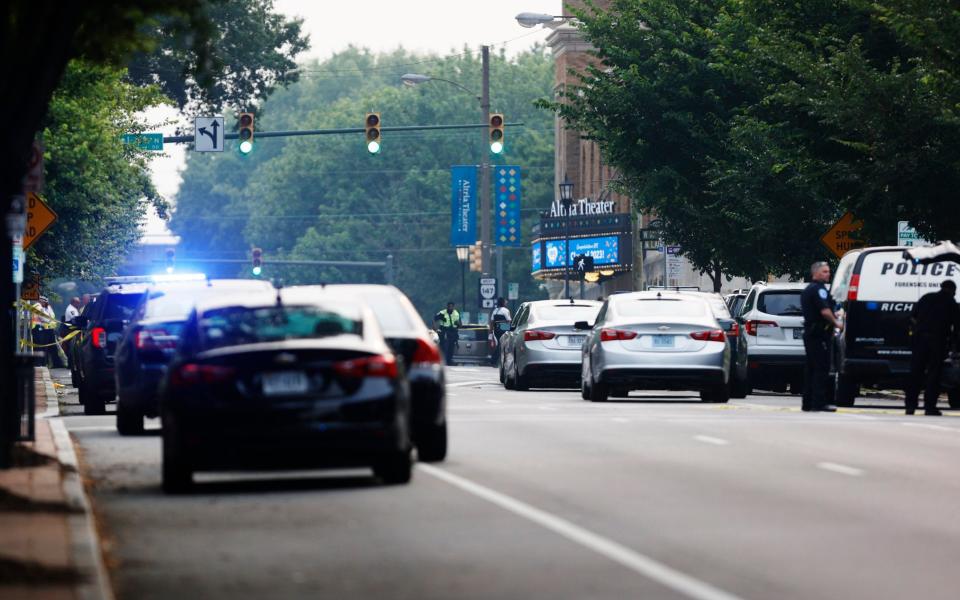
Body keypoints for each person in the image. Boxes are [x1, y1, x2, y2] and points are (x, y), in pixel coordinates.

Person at [905, 280, 960, 416]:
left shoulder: (926, 297)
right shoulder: (950, 302)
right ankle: (929, 407)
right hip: (938, 341)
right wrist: (954, 345)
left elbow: (911, 317)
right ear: (953, 290)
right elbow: (957, 327)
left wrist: (917, 330)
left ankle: (910, 406)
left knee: (915, 373)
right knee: (933, 375)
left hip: (920, 341)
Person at [801, 261, 841, 412]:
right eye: (824, 271)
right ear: (816, 273)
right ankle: (818, 402)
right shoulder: (819, 289)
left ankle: (808, 403)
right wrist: (837, 323)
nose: (828, 274)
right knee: (821, 368)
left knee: (811, 368)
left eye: (828, 271)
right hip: (819, 334)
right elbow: (824, 312)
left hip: (811, 333)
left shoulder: (809, 289)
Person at [31, 295, 60, 368]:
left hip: (38, 329)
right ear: (41, 301)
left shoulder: (37, 306)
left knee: (40, 347)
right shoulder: (38, 307)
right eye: (45, 302)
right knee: (40, 347)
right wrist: (49, 319)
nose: (46, 304)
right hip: (38, 329)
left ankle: (40, 363)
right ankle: (39, 363)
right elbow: (45, 319)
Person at [433, 302, 461, 366]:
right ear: (447, 307)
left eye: (451, 307)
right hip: (444, 331)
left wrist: (458, 324)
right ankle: (443, 361)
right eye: (449, 306)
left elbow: (460, 324)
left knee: (451, 347)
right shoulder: (442, 313)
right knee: (445, 347)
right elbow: (435, 318)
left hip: (453, 332)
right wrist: (435, 328)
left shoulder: (456, 313)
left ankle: (449, 361)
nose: (450, 308)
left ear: (453, 307)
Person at [489, 297, 511, 365]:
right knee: (502, 346)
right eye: (505, 301)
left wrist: (490, 332)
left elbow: (492, 322)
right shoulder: (505, 310)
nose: (506, 302)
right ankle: (494, 360)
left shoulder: (495, 311)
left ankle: (495, 360)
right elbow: (509, 321)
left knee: (500, 345)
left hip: (496, 330)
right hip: (504, 330)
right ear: (503, 303)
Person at [62, 297, 81, 369]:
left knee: (72, 347)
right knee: (71, 347)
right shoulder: (71, 309)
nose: (79, 304)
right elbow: (76, 319)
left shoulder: (74, 308)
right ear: (74, 302)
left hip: (72, 330)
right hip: (70, 330)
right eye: (78, 303)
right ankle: (70, 364)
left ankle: (72, 363)